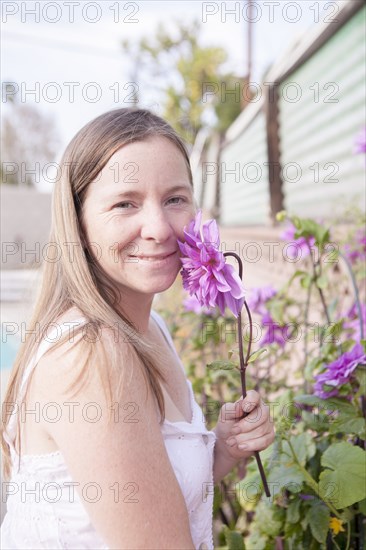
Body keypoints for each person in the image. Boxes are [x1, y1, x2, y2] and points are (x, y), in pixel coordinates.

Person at [0, 108, 274, 549]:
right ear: (80, 221)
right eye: (125, 203)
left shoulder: (152, 328)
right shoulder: (91, 354)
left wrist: (222, 450)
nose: (159, 228)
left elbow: (153, 492)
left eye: (175, 199)